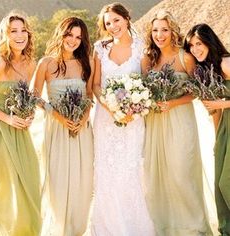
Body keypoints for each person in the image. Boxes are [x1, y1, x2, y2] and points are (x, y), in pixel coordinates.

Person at [142, 11, 213, 236]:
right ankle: (165, 226)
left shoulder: (186, 57)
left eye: (164, 29)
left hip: (181, 120)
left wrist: (173, 102)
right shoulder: (148, 59)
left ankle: (194, 227)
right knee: (158, 175)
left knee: (182, 173)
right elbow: (142, 90)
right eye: (155, 30)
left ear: (172, 31)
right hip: (154, 123)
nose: (159, 35)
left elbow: (196, 91)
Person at [91, 2, 155, 235]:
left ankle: (133, 225)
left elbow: (148, 84)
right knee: (106, 170)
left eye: (116, 20)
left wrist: (133, 108)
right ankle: (107, 227)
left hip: (133, 119)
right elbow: (96, 85)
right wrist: (109, 105)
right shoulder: (99, 48)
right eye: (108, 23)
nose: (113, 26)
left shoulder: (142, 48)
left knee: (130, 168)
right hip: (105, 119)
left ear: (127, 19)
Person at [33, 17, 94, 236]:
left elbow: (89, 95)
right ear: (61, 33)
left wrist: (85, 117)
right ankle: (59, 230)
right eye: (70, 34)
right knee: (57, 182)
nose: (74, 40)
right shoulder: (46, 63)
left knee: (82, 180)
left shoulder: (87, 61)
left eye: (79, 37)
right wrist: (56, 115)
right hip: (56, 129)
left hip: (81, 130)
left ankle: (77, 230)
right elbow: (35, 97)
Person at [0, 11, 41, 236]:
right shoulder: (0, 61)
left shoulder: (29, 63)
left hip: (20, 132)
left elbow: (26, 96)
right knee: (6, 186)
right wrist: (8, 119)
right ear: (5, 35)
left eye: (23, 30)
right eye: (14, 31)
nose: (20, 35)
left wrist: (28, 113)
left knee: (28, 179)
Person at [185, 23, 230, 236]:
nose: (195, 49)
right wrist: (216, 140)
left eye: (199, 43)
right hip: (225, 130)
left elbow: (220, 105)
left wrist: (224, 103)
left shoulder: (226, 63)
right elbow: (215, 111)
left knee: (227, 182)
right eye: (191, 46)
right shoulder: (206, 73)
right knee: (220, 183)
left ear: (209, 42)